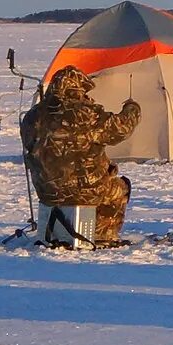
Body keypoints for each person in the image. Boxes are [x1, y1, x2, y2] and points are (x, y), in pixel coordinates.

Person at [21, 68, 140, 245]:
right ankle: (102, 235)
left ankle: (60, 231)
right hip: (86, 191)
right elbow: (121, 129)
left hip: (47, 192)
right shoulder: (88, 114)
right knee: (120, 188)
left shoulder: (33, 116)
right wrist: (132, 108)